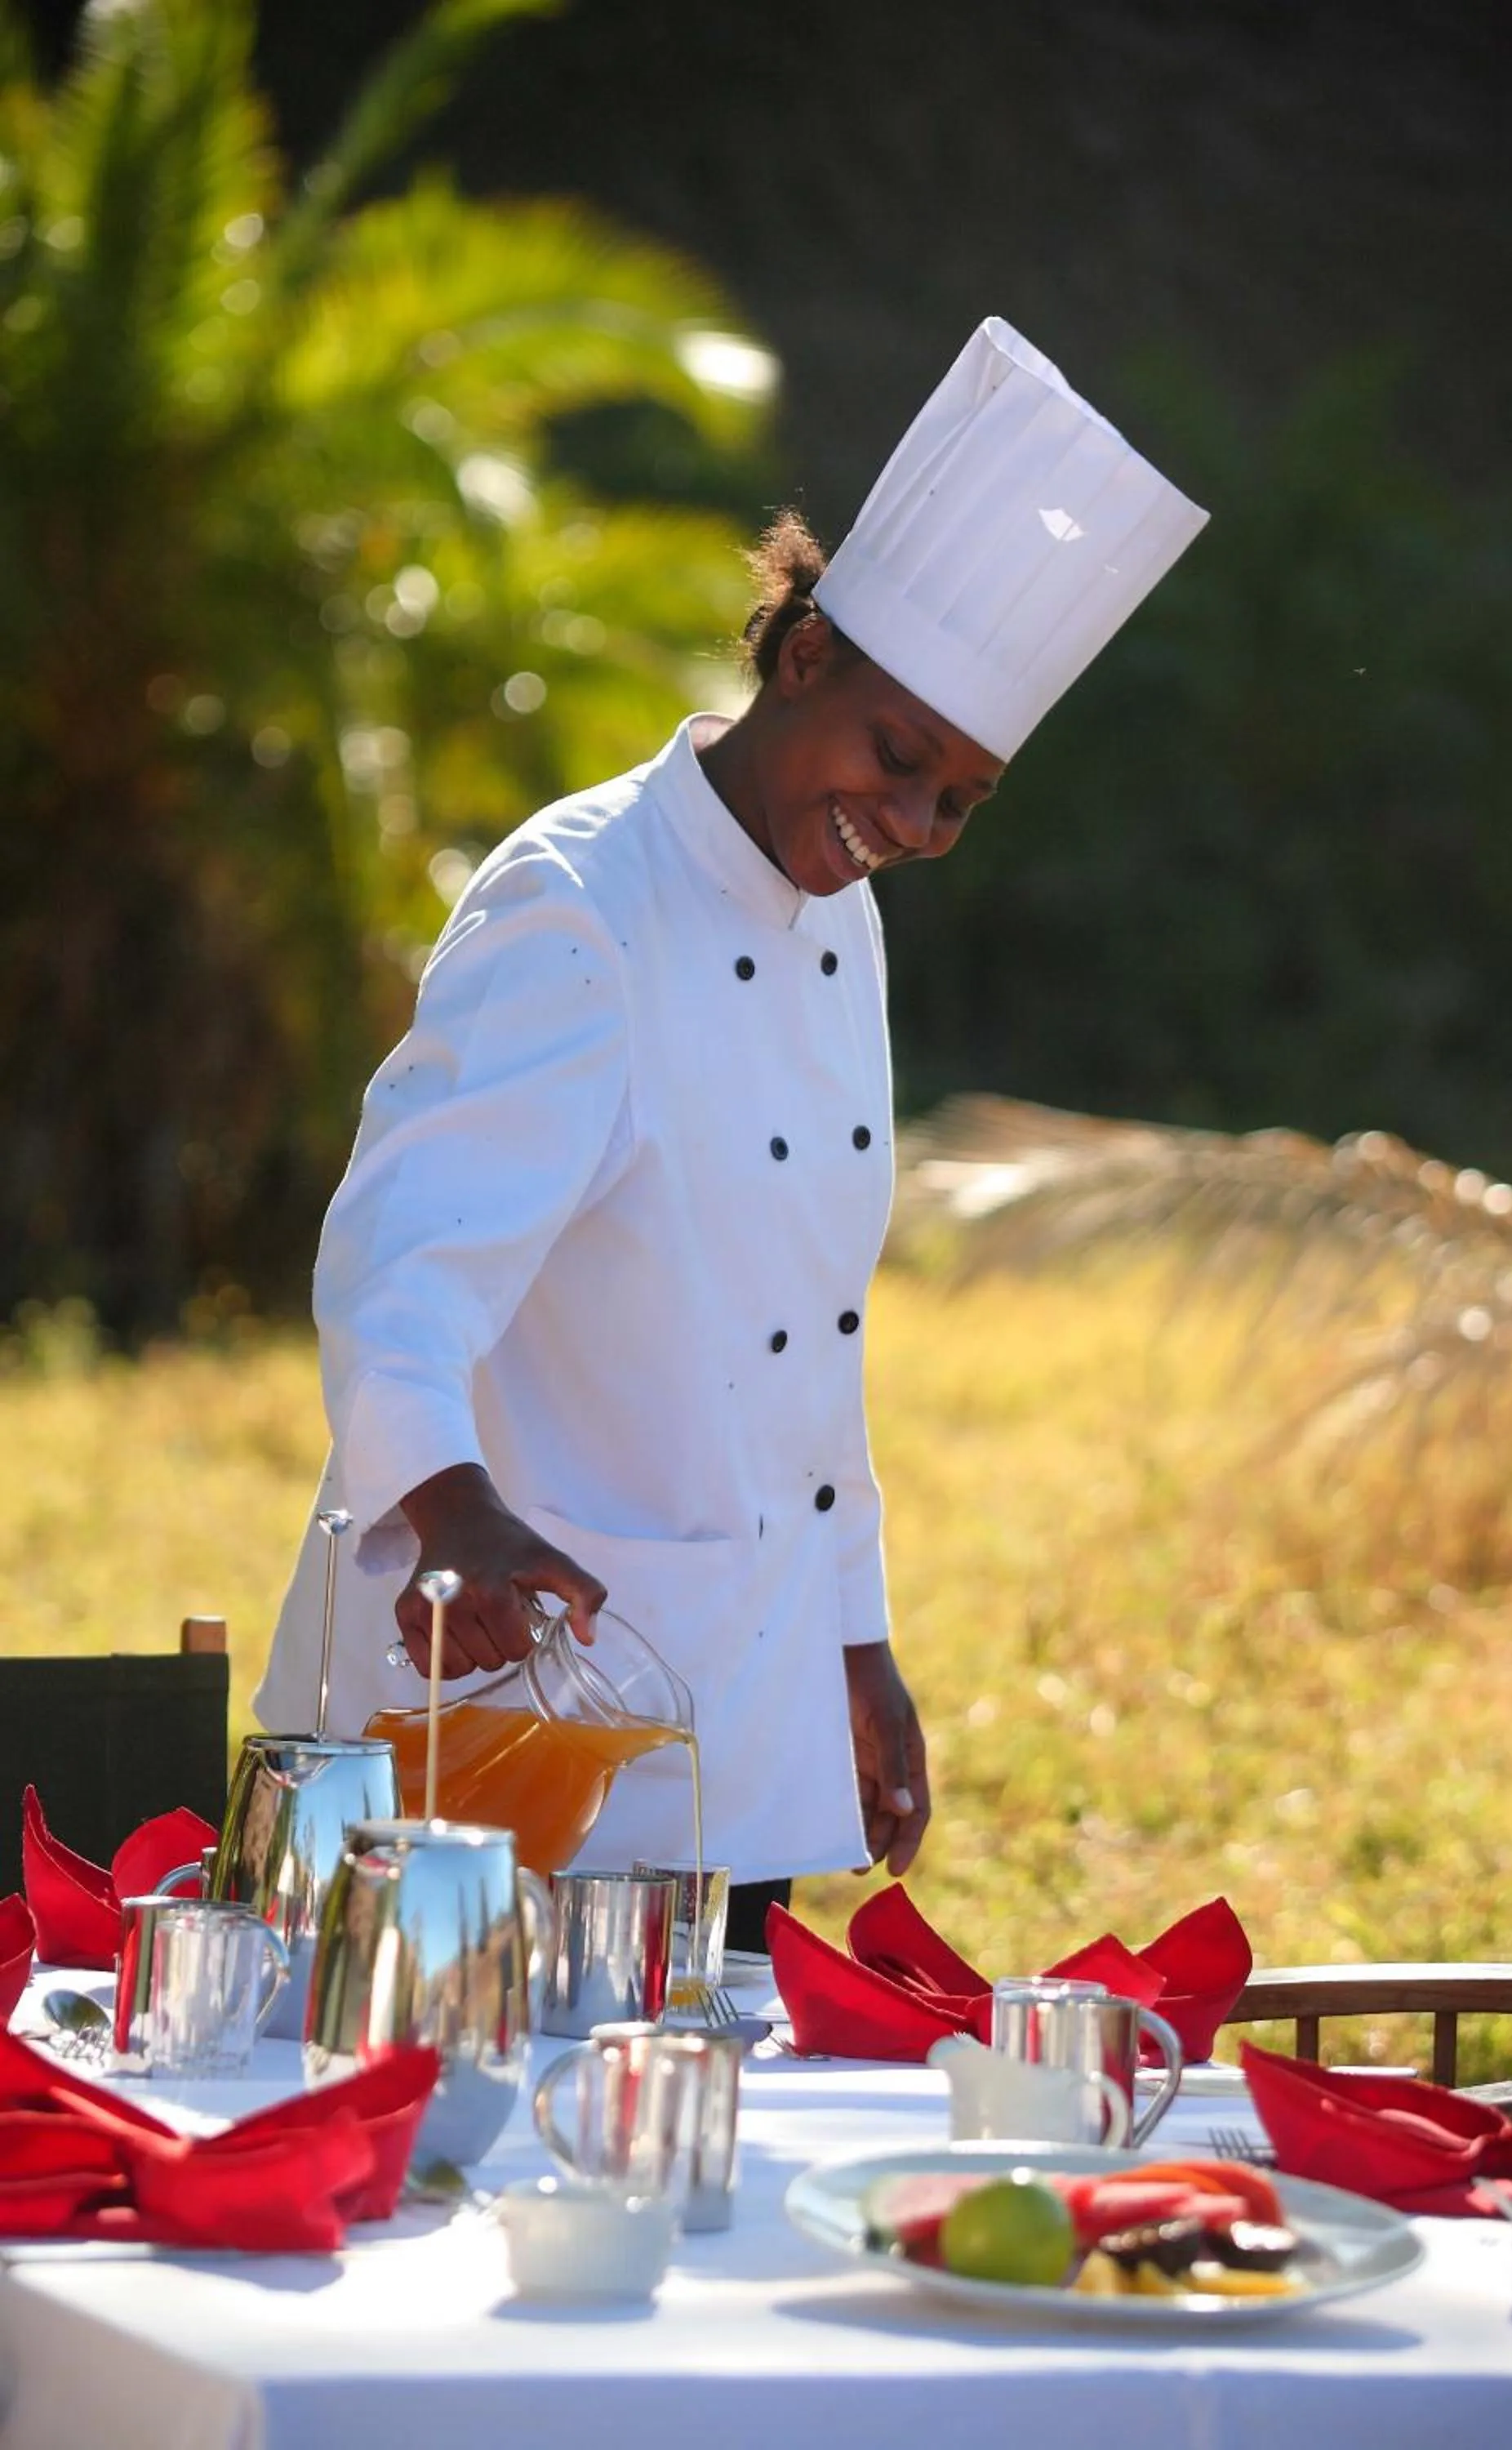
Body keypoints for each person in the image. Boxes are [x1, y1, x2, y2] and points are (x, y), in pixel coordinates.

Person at [255, 317, 1207, 1947]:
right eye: (900, 761)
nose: (909, 827)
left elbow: (809, 1338)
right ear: (807, 654)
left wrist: (857, 1641)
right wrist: (452, 1506)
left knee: (694, 2163)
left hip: (718, 1716)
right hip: (489, 1697)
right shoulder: (579, 905)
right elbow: (401, 1260)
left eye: (957, 802)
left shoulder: (843, 918)